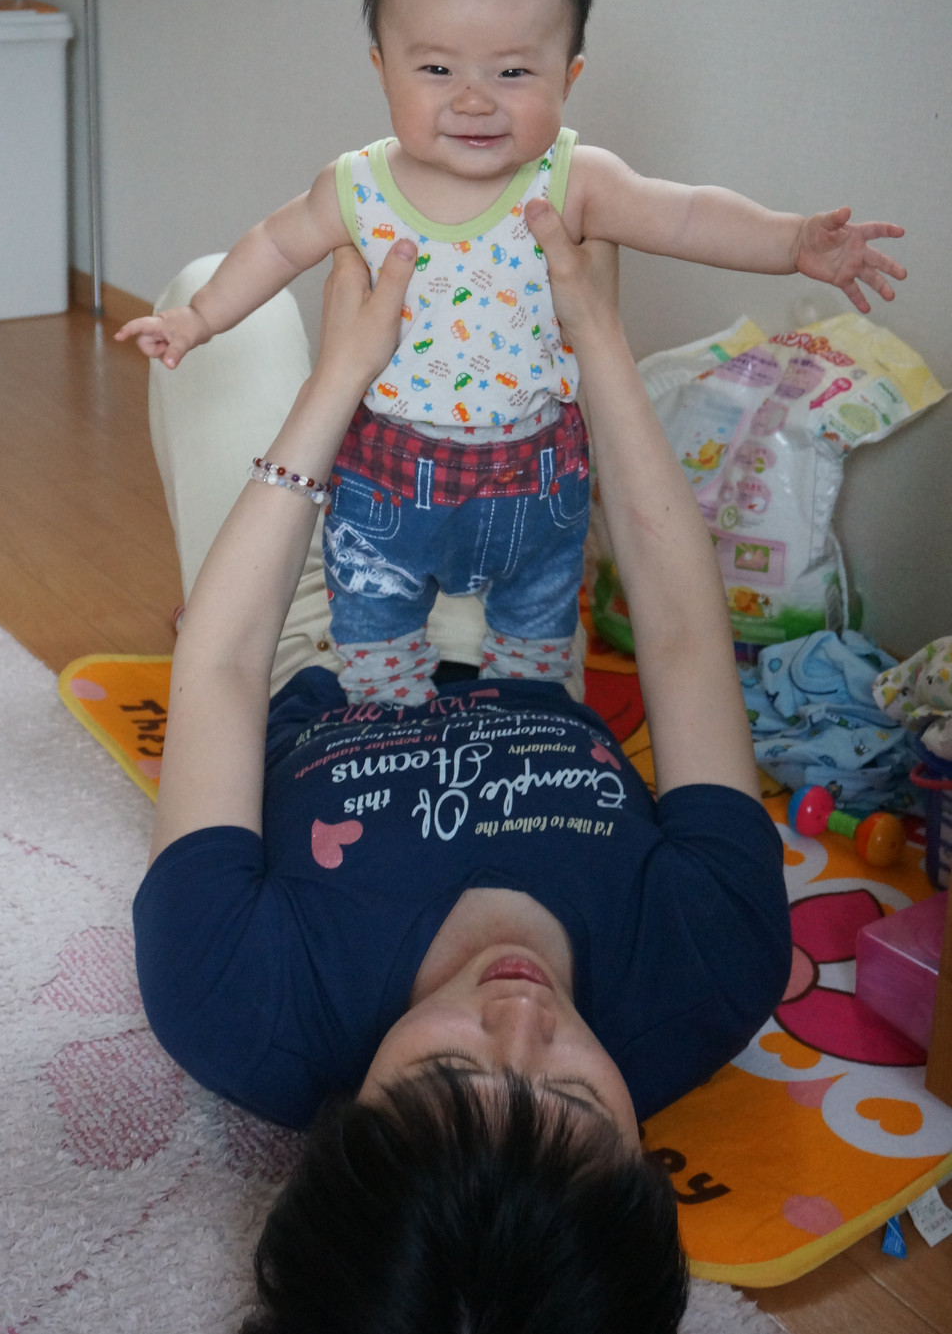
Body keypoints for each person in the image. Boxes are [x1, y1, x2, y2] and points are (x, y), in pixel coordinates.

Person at [133, 204, 794, 1332]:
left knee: (214, 288)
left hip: (307, 635)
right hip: (523, 632)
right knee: (556, 232)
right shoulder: (713, 960)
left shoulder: (232, 998)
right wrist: (598, 340)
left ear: (341, 1134)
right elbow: (684, 636)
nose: (522, 1017)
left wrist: (341, 379)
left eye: (452, 1073)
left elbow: (224, 666)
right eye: (578, 1092)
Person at [116, 0, 906, 709]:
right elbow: (274, 243)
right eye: (436, 67)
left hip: (537, 482)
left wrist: (790, 241)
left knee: (536, 650)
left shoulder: (572, 178)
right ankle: (388, 714)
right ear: (382, 68)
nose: (473, 99)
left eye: (513, 72)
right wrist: (199, 316)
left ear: (569, 74)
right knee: (375, 642)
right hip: (390, 480)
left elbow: (682, 215)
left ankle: (528, 714)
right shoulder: (357, 186)